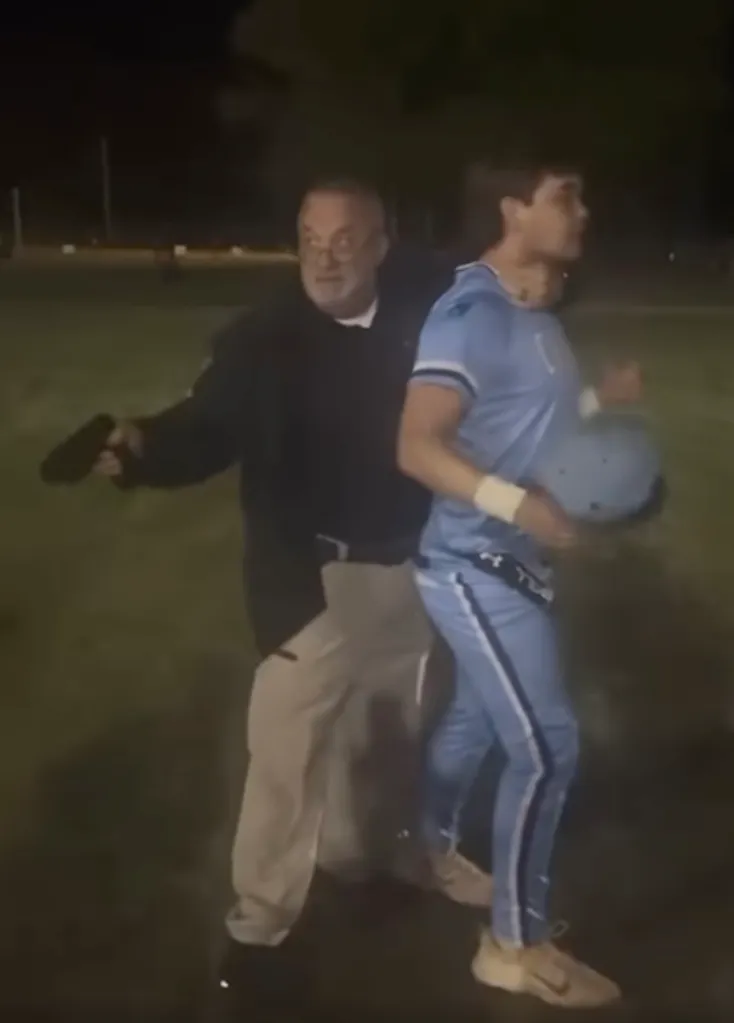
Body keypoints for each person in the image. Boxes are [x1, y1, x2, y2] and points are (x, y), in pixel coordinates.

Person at [91, 179, 491, 984]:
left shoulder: (427, 304)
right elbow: (205, 427)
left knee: (387, 738)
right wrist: (140, 448)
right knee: (287, 761)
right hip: (308, 578)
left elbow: (503, 292)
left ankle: (365, 865)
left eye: (346, 238)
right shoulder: (262, 339)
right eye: (310, 236)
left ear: (383, 245)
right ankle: (259, 929)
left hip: (409, 568)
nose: (324, 254)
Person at [398, 150, 641, 1008]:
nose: (582, 212)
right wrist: (518, 506)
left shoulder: (536, 311)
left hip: (514, 562)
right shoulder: (470, 312)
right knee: (548, 746)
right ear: (512, 212)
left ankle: (425, 845)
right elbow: (416, 444)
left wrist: (595, 405)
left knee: (472, 715)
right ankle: (512, 941)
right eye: (564, 197)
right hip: (473, 565)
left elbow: (523, 422)